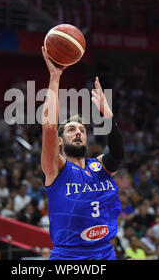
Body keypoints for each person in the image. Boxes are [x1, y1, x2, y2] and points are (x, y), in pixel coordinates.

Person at [40, 46, 124, 260]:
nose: (78, 132)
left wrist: (108, 116)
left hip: (104, 253)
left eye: (82, 130)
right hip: (68, 257)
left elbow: (118, 154)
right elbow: (49, 127)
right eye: (71, 129)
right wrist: (55, 77)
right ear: (60, 141)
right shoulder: (56, 169)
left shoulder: (99, 167)